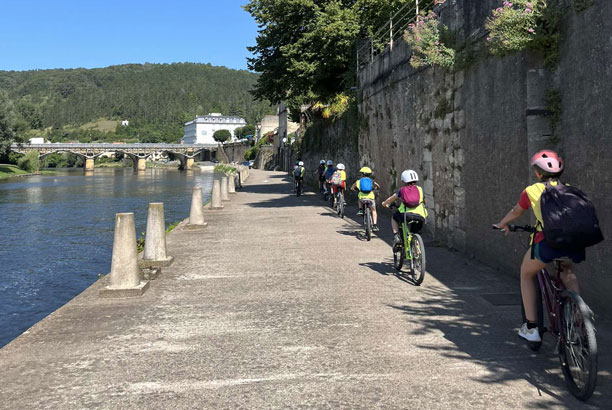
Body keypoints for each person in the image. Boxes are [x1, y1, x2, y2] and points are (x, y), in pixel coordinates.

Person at [493, 150, 585, 343]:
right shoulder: (570, 189)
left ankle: (531, 327)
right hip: (574, 242)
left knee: (526, 273)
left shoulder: (531, 190)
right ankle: (580, 320)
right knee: (567, 271)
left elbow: (516, 211)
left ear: (537, 173)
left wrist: (503, 223)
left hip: (548, 242)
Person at [382, 169, 427, 244]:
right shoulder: (420, 189)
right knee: (415, 233)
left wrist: (384, 203)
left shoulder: (402, 190)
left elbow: (392, 198)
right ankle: (417, 249)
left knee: (394, 218)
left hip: (406, 214)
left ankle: (396, 236)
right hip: (421, 216)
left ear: (404, 180)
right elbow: (423, 201)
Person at [351, 166, 380, 231]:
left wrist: (353, 189)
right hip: (371, 198)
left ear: (362, 174)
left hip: (362, 198)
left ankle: (360, 210)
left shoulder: (359, 181)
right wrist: (376, 188)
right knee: (373, 211)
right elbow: (378, 186)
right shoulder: (372, 181)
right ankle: (375, 226)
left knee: (359, 199)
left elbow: (352, 187)